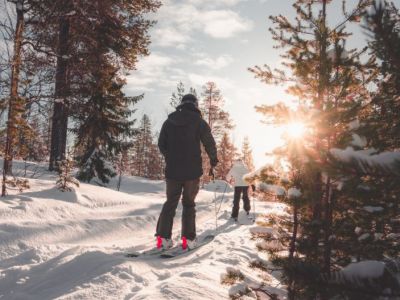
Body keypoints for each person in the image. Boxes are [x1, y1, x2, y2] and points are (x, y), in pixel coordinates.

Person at [156, 94, 218, 250]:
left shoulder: (169, 121)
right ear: (195, 105)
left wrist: (170, 156)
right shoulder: (199, 122)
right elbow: (209, 142)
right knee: (189, 204)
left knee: (170, 202)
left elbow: (161, 143)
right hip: (192, 172)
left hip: (172, 171)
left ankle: (162, 239)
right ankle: (188, 240)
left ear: (182, 104)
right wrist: (213, 160)